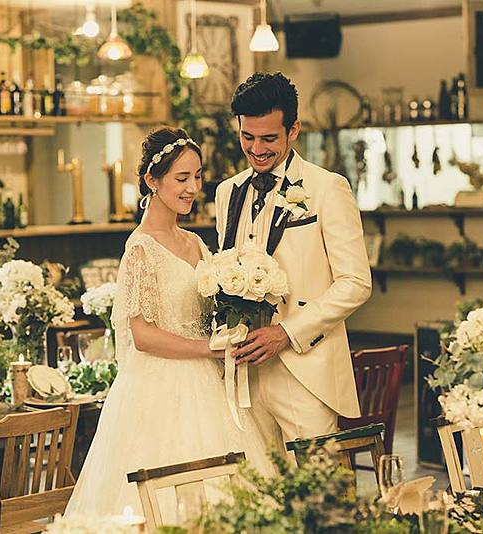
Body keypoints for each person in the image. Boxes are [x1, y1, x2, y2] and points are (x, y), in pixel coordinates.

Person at [65, 126, 270, 518]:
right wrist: (207, 348)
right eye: (182, 178)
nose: (193, 188)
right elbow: (142, 335)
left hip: (209, 379)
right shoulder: (140, 248)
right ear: (152, 181)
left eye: (197, 177)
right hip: (160, 384)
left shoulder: (195, 242)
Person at [215, 72, 372, 448]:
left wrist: (286, 333)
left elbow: (355, 283)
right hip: (243, 375)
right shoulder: (227, 192)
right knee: (256, 481)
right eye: (247, 137)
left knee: (315, 481)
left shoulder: (327, 187)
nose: (256, 149)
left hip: (305, 371)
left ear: (294, 130)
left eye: (269, 138)